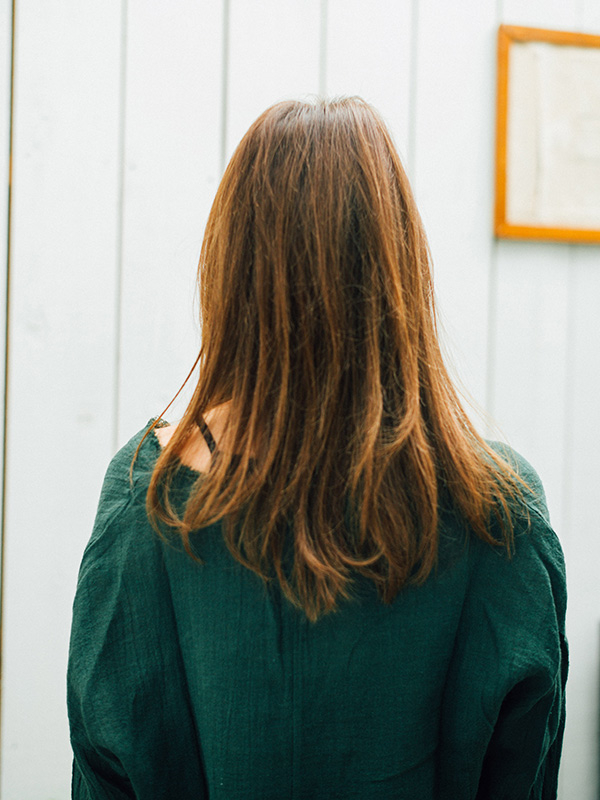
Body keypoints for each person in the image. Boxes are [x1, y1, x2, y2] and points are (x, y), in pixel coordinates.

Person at [67, 97, 568, 799]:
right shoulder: (501, 511)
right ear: (400, 268)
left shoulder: (145, 502)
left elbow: (105, 772)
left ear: (229, 269)